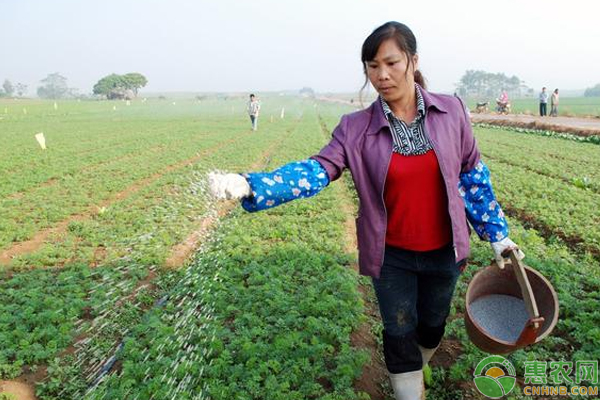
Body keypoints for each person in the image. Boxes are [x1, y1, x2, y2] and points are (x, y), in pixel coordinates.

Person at [208, 21, 524, 400]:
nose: (382, 75)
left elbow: (472, 175)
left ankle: (417, 368)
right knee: (398, 332)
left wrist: (497, 234)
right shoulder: (355, 129)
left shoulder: (451, 111)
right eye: (372, 66)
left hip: (444, 252)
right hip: (392, 256)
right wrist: (253, 184)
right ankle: (408, 385)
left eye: (391, 62)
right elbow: (318, 170)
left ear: (413, 60)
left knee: (431, 328)